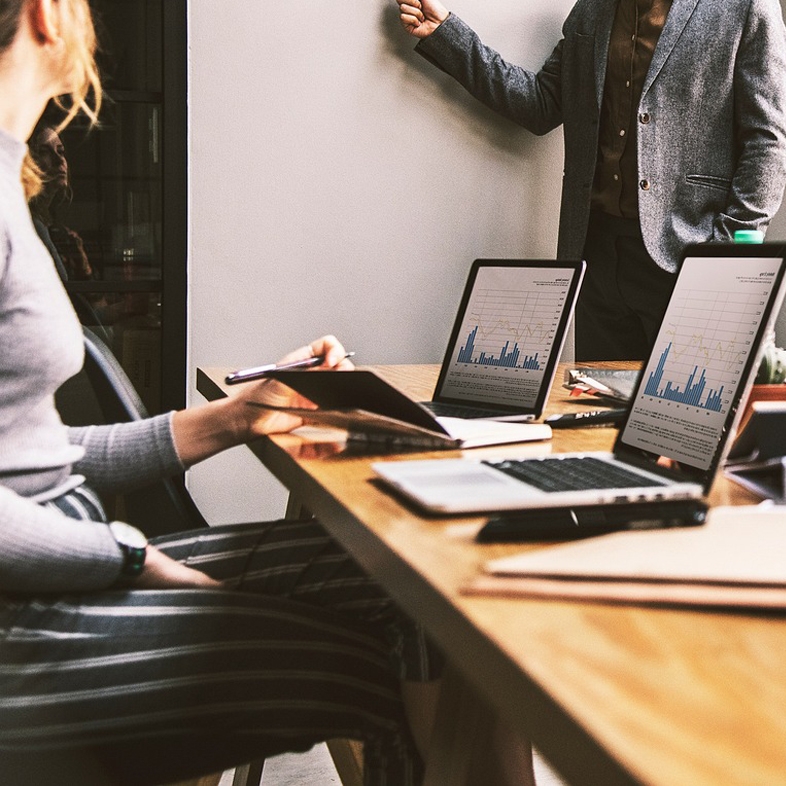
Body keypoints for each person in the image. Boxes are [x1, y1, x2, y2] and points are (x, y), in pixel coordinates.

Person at [0, 1, 442, 783]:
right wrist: (131, 560)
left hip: (57, 576)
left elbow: (28, 458)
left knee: (419, 580)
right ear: (48, 15)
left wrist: (244, 414)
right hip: (29, 623)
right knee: (370, 667)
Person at [395, 0, 786, 360]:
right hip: (595, 257)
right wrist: (447, 33)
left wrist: (726, 248)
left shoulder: (745, 6)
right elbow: (540, 103)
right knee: (597, 420)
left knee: (683, 421)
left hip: (688, 255)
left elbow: (767, 139)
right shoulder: (592, 9)